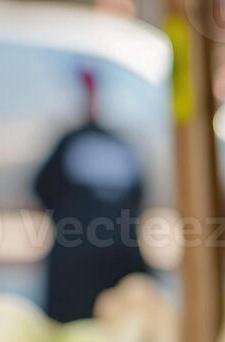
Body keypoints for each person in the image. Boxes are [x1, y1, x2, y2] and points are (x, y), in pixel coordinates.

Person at [33, 69, 148, 323]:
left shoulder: (71, 142)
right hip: (121, 261)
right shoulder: (121, 144)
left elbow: (42, 187)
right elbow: (140, 197)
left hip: (74, 264)